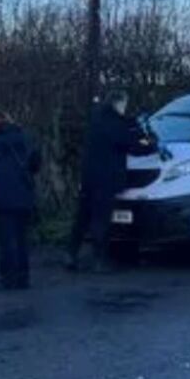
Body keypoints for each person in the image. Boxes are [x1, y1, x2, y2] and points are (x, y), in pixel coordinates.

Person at [67, 89, 156, 271]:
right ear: (119, 103)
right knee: (101, 219)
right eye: (125, 104)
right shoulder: (115, 123)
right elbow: (131, 145)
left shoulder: (97, 119)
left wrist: (132, 123)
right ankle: (99, 260)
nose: (125, 108)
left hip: (89, 176)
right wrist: (151, 146)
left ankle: (70, 254)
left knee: (83, 217)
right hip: (106, 178)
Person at [0, 111, 42, 289]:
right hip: (24, 195)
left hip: (2, 197)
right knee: (22, 238)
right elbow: (36, 163)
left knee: (7, 238)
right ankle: (23, 276)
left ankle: (8, 277)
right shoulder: (26, 139)